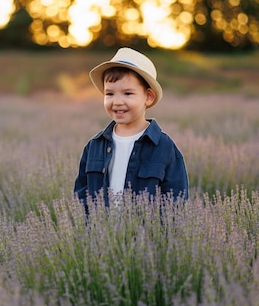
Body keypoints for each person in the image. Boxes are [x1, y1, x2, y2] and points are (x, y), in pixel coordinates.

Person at [74, 47, 188, 213]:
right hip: (101, 235)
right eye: (110, 94)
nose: (117, 101)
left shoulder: (164, 147)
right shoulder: (94, 146)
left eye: (127, 93)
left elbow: (176, 203)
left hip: (146, 236)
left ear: (148, 97)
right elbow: (81, 197)